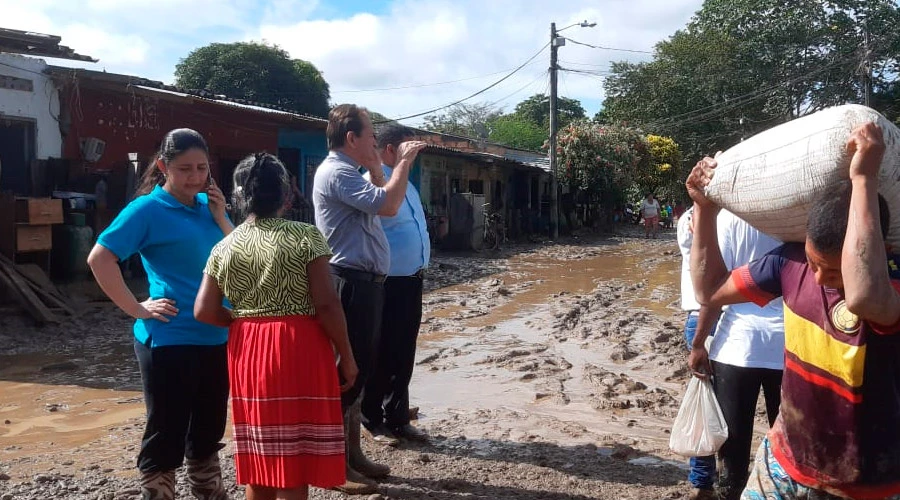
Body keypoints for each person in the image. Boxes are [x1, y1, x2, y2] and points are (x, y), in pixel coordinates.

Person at [687, 122, 900, 500]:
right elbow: (709, 290)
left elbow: (864, 297)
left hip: (864, 483)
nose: (817, 278)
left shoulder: (891, 287)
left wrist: (864, 176)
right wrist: (704, 209)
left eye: (833, 271)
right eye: (813, 262)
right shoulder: (789, 261)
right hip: (783, 461)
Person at [194, 153, 359, 500]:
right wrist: (347, 355)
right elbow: (328, 304)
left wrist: (242, 319)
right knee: (294, 456)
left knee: (261, 452)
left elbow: (203, 311)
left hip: (249, 349)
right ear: (286, 195)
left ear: (239, 198)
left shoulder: (226, 246)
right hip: (298, 345)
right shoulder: (305, 237)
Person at [87, 128, 233, 500]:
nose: (195, 177)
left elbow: (239, 258)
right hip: (169, 337)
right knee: (166, 432)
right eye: (185, 168)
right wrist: (135, 308)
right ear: (163, 166)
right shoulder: (146, 209)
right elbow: (100, 258)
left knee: (208, 431)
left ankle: (209, 491)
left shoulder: (208, 206)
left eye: (202, 168)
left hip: (216, 334)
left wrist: (220, 216)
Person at [312, 104, 427, 495]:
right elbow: (388, 204)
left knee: (356, 368)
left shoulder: (347, 172)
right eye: (371, 138)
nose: (376, 144)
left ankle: (353, 455)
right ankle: (337, 466)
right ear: (351, 139)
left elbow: (381, 194)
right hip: (351, 282)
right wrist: (403, 162)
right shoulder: (339, 172)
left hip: (366, 282)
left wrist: (380, 167)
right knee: (349, 370)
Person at [688, 209, 785, 500]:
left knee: (732, 446)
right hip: (790, 346)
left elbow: (713, 290)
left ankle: (730, 493)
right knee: (789, 444)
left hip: (736, 346)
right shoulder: (793, 216)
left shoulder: (726, 219)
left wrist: (698, 343)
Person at [361, 124, 430, 446]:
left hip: (410, 279)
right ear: (389, 150)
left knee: (403, 351)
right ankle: (372, 419)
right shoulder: (375, 181)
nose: (412, 155)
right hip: (385, 281)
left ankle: (398, 417)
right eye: (407, 149)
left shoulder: (406, 183)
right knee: (381, 352)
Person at [676, 207, 718, 500]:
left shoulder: (690, 218)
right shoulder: (695, 220)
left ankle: (703, 483)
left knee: (707, 404)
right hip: (726, 314)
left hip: (700, 316)